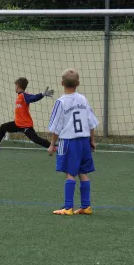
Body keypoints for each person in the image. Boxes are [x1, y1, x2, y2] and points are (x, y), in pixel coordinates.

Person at [47, 69, 98, 216]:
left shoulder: (61, 102)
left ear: (62, 83)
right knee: (83, 172)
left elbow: (56, 126)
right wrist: (92, 140)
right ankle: (86, 206)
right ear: (78, 83)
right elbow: (91, 122)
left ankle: (68, 207)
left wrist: (52, 144)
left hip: (69, 141)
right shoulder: (83, 99)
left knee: (70, 173)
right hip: (84, 141)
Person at [0, 77, 54, 149]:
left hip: (25, 125)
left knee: (35, 139)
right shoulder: (19, 96)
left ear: (18, 86)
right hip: (17, 123)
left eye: (15, 86)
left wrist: (42, 94)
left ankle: (53, 146)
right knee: (3, 127)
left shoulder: (24, 95)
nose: (15, 87)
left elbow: (33, 98)